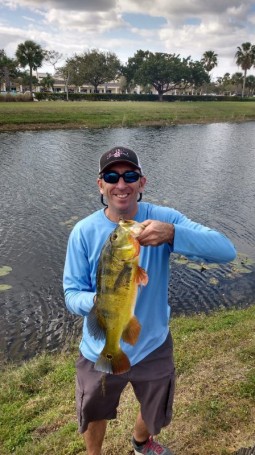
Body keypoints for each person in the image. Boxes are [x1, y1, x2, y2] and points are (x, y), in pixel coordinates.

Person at [63, 146, 236, 455]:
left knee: (156, 402)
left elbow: (226, 251)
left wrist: (172, 234)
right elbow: (71, 294)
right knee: (93, 408)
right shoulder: (83, 232)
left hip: (152, 342)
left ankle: (141, 442)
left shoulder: (163, 219)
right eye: (112, 177)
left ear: (142, 182)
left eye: (130, 175)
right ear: (100, 184)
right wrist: (102, 300)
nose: (121, 184)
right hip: (100, 344)